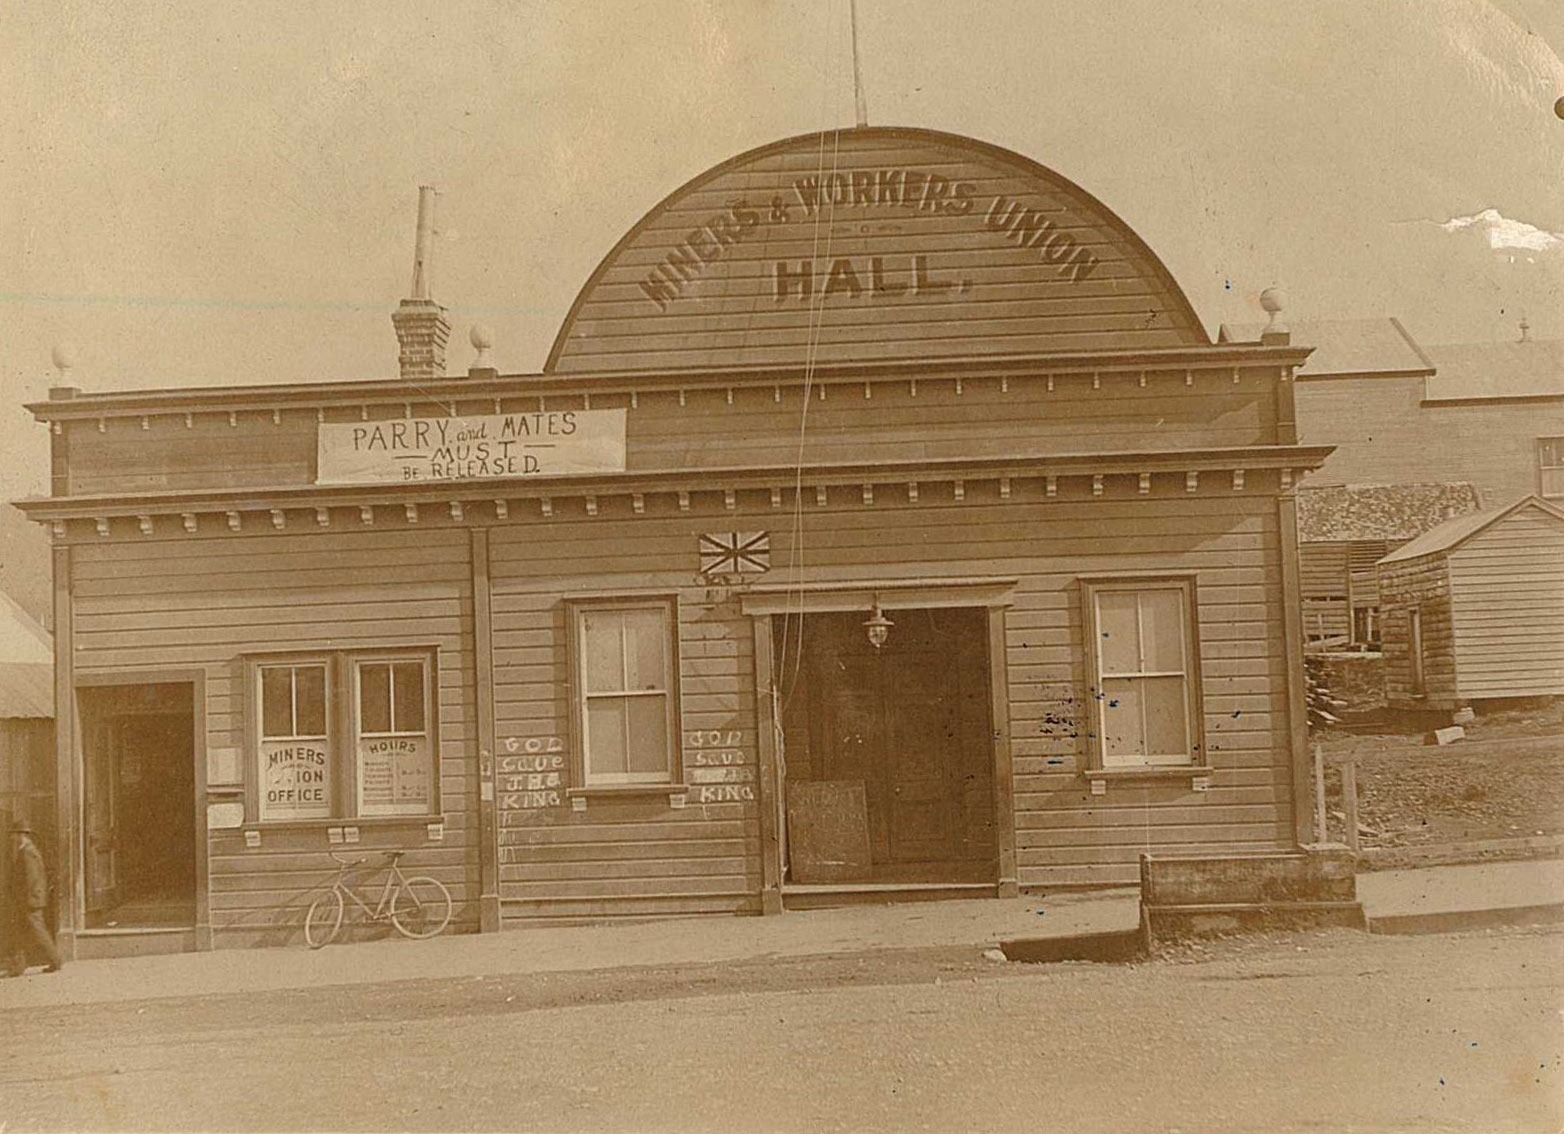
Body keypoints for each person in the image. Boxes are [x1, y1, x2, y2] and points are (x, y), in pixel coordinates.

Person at [7, 820, 61, 976]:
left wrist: (26, 900)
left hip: (30, 900)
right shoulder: (26, 850)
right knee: (24, 931)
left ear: (22, 835)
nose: (12, 837)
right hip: (30, 899)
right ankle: (19, 966)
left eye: (15, 834)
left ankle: (55, 960)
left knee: (38, 931)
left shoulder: (27, 852)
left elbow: (32, 878)